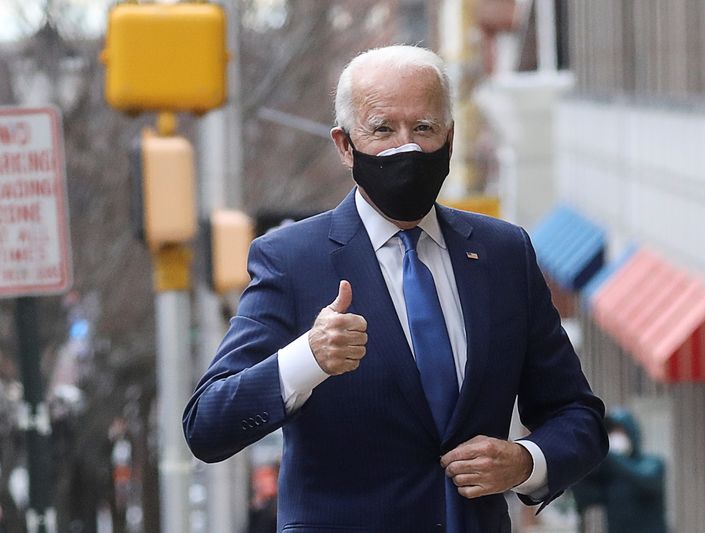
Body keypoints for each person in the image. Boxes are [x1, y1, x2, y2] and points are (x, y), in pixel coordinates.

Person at [183, 45, 607, 533]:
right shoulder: (292, 260)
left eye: (423, 128)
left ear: (449, 136)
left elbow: (578, 416)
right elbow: (207, 426)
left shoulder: (503, 254)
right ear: (345, 145)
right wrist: (308, 359)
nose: (405, 147)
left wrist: (525, 462)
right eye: (382, 129)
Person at [572, 408, 667, 533]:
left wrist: (611, 456)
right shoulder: (609, 474)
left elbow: (648, 481)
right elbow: (585, 498)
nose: (615, 436)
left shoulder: (652, 463)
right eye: (611, 432)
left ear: (632, 432)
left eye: (620, 431)